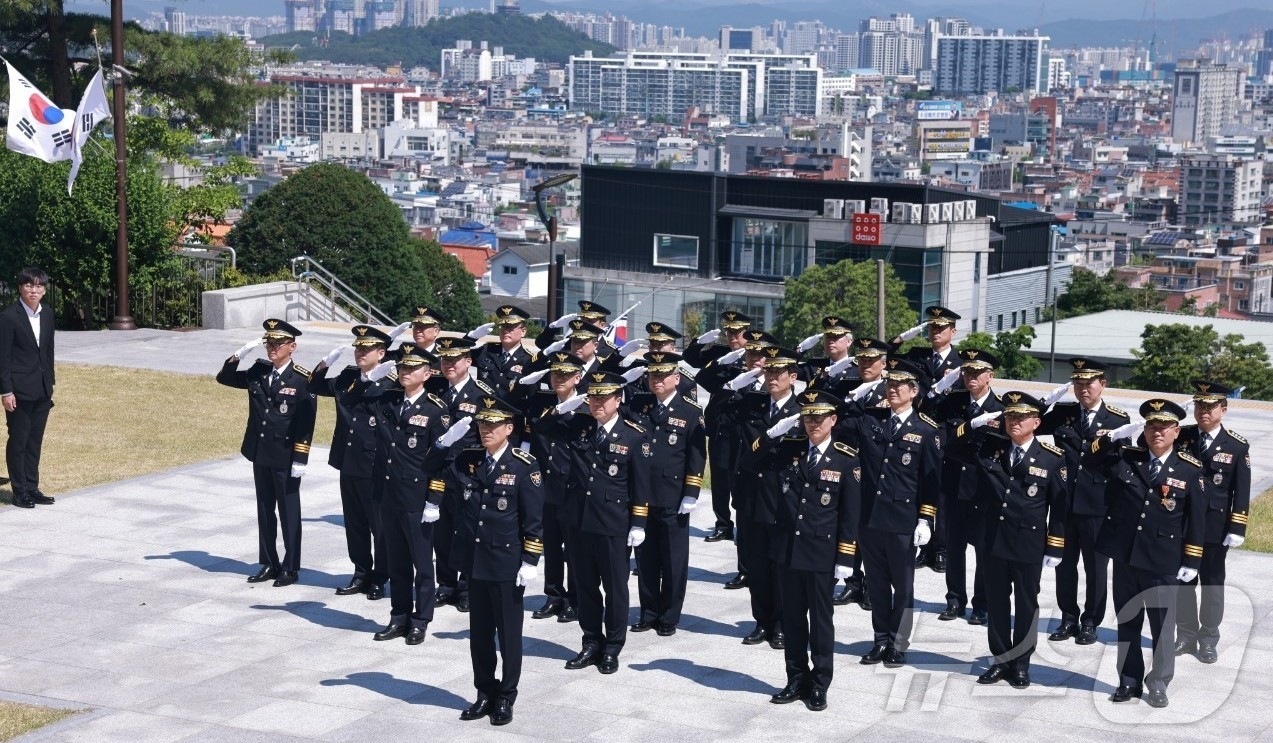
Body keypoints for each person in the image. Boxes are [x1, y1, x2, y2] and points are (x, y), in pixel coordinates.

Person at [1087, 399, 1205, 708]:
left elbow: (1197, 520)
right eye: (1151, 427)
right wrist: (1113, 437)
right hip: (1126, 557)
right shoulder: (1128, 458)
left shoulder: (1190, 470)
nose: (1157, 433)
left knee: (1162, 628)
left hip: (1163, 561)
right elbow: (1091, 461)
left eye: (1164, 428)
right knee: (1128, 622)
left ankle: (1159, 683)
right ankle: (1128, 681)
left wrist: (1191, 561)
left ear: (1176, 432)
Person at [536, 371, 651, 675]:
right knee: (585, 586)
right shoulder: (579, 426)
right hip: (578, 520)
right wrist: (563, 407)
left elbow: (641, 484)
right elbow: (543, 426)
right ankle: (590, 642)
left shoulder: (634, 435)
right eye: (593, 397)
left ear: (618, 399)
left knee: (615, 588)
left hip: (613, 523)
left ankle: (612, 647)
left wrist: (638, 522)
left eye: (604, 397)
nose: (597, 403)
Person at [837, 358, 941, 667]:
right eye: (889, 384)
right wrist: (855, 394)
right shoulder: (871, 420)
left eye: (899, 386)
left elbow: (930, 481)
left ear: (914, 391)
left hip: (903, 520)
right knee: (877, 584)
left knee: (903, 586)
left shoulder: (925, 430)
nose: (892, 389)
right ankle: (880, 640)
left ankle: (899, 643)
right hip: (870, 518)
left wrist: (926, 518)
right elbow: (839, 425)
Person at [449, 397, 545, 727]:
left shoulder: (524, 465)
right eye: (482, 424)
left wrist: (530, 559)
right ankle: (484, 692)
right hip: (475, 561)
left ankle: (506, 695)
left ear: (509, 429)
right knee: (479, 635)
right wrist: (443, 442)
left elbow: (533, 519)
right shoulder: (469, 460)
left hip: (506, 562)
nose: (486, 430)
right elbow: (429, 467)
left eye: (493, 425)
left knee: (508, 635)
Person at [764, 390, 860, 713]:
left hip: (821, 554)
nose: (812, 423)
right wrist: (773, 432)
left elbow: (850, 514)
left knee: (820, 623)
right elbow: (752, 460)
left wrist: (846, 558)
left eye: (819, 417)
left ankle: (819, 684)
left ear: (833, 420)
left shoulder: (846, 458)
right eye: (807, 417)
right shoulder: (789, 449)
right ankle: (795, 678)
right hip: (788, 552)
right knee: (792, 620)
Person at [972, 392, 1066, 690]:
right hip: (994, 541)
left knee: (1026, 605)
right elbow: (954, 445)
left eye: (1022, 417)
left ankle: (1022, 663)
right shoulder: (991, 450)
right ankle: (1000, 660)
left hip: (1028, 543)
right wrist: (980, 422)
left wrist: (1056, 545)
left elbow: (1060, 507)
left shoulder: (1052, 459)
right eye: (1010, 416)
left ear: (1036, 423)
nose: (1014, 422)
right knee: (997, 603)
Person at [215, 319, 317, 586]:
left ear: (292, 347)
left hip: (285, 455)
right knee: (264, 511)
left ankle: (290, 566)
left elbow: (306, 422)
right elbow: (224, 378)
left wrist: (301, 457)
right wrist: (240, 353)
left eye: (278, 343)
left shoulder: (303, 380)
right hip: (260, 451)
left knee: (288, 512)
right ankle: (269, 562)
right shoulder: (259, 372)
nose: (272, 348)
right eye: (268, 343)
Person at [366, 343, 453, 645]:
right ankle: (398, 616)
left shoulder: (436, 410)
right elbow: (360, 397)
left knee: (421, 563)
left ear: (428, 374)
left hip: (417, 497)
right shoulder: (389, 400)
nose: (405, 372)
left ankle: (421, 619)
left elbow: (444, 459)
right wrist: (373, 376)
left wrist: (435, 499)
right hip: (389, 493)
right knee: (396, 561)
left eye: (412, 368)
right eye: (402, 367)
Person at [1040, 357, 1131, 645]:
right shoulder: (1063, 414)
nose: (1083, 389)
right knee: (1064, 565)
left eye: (1088, 383)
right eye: (1077, 383)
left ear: (1102, 384)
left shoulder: (1118, 419)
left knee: (1095, 568)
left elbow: (1121, 465)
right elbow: (1028, 417)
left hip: (1097, 506)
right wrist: (1046, 400)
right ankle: (1068, 618)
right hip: (1065, 502)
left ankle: (1091, 621)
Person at [624, 351, 706, 637]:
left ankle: (669, 616)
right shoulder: (639, 406)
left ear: (676, 378)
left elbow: (696, 454)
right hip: (642, 495)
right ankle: (648, 612)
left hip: (673, 496)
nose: (656, 380)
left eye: (662, 375)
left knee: (673, 560)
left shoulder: (690, 411)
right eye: (652, 375)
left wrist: (692, 491)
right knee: (645, 559)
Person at [310, 325, 393, 600]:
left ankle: (381, 576)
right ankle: (360, 572)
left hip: (374, 464)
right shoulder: (347, 377)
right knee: (355, 522)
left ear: (381, 353)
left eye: (367, 349)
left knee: (379, 525)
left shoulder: (390, 384)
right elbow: (315, 385)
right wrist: (325, 363)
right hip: (349, 461)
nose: (360, 353)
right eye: (358, 348)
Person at [731, 346, 805, 650]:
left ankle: (782, 625)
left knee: (782, 568)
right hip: (753, 497)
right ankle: (762, 621)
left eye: (779, 372)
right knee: (757, 566)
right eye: (769, 371)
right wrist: (734, 384)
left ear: (793, 376)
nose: (772, 377)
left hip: (784, 501)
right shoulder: (754, 406)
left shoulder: (804, 412)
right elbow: (717, 412)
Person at [1174, 380, 1251, 664]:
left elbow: (1240, 491)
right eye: (1199, 405)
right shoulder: (1182, 437)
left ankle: (1208, 638)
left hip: (1214, 528)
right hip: (1180, 524)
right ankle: (1185, 635)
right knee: (1182, 581)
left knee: (1212, 583)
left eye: (1210, 406)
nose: (1203, 411)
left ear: (1223, 409)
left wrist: (1237, 527)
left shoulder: (1236, 445)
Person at [933, 349, 1006, 625]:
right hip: (953, 484)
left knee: (983, 549)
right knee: (954, 547)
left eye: (977, 373)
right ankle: (955, 600)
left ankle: (982, 604)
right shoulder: (953, 403)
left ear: (990, 376)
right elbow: (931, 419)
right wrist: (939, 388)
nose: (970, 377)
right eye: (967, 372)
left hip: (984, 489)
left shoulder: (1001, 408)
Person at [514, 351, 587, 623]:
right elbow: (512, 404)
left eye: (566, 375)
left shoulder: (586, 406)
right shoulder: (541, 403)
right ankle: (554, 596)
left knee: (575, 548)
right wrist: (526, 381)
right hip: (546, 485)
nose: (559, 379)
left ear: (577, 378)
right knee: (552, 545)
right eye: (556, 374)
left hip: (573, 487)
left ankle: (575, 598)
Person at [434, 336, 500, 613]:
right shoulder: (435, 389)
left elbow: (494, 434)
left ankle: (466, 586)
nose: (448, 364)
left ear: (468, 362)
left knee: (468, 531)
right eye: (444, 359)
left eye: (454, 360)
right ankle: (446, 583)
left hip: (468, 474)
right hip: (439, 472)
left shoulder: (482, 394)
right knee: (442, 530)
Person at [683, 310, 754, 546]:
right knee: (720, 477)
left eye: (738, 332)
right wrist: (700, 342)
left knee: (740, 479)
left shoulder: (756, 354)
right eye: (729, 332)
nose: (733, 337)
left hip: (744, 425)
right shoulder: (722, 353)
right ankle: (723, 524)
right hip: (721, 423)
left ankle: (743, 526)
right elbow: (691, 359)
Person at [830, 336, 890, 608]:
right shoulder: (847, 387)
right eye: (862, 360)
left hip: (879, 468)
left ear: (883, 363)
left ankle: (873, 586)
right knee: (850, 523)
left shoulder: (891, 390)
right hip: (848, 465)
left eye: (872, 360)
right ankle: (853, 581)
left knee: (874, 531)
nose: (866, 365)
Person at [901, 306, 961, 573]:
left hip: (946, 432)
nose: (935, 332)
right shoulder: (917, 356)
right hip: (918, 431)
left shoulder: (962, 362)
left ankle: (941, 548)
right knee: (918, 487)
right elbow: (888, 357)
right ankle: (921, 546)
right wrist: (904, 336)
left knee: (943, 493)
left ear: (952, 331)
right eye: (931, 327)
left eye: (941, 328)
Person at [0, 268, 56, 509]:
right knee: (19, 440)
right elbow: (3, 357)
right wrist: (5, 391)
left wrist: (50, 383)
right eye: (29, 286)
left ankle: (32, 486)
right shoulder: (8, 317)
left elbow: (48, 351)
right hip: (18, 390)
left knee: (35, 440)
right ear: (20, 288)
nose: (34, 290)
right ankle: (19, 491)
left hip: (42, 388)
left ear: (44, 289)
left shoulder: (48, 314)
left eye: (38, 286)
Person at [470, 305, 539, 392]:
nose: (505, 330)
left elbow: (533, 395)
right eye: (503, 326)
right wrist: (471, 337)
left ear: (523, 331)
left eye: (511, 327)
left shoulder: (529, 360)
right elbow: (459, 356)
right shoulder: (486, 350)